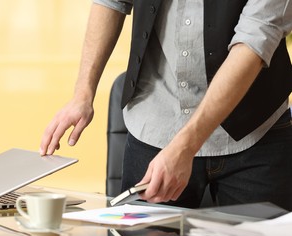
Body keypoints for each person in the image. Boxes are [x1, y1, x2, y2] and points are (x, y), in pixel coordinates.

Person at [40, 0, 292, 211]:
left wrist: (184, 147)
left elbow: (255, 40)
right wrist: (82, 93)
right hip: (156, 124)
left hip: (255, 136)